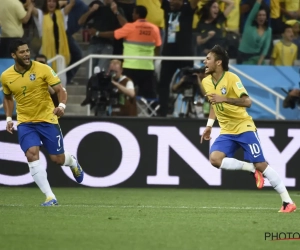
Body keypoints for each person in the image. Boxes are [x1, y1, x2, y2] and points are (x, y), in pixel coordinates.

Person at [200, 45, 296, 213]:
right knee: (215, 160)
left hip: (244, 127)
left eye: (208, 59)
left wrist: (225, 98)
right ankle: (251, 169)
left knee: (261, 164)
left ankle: (287, 202)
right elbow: (214, 104)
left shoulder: (231, 78)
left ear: (219, 62)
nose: (204, 61)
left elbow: (247, 102)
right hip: (227, 131)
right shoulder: (206, 81)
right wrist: (209, 126)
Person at [0, 40, 84, 206]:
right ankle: (50, 197)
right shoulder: (6, 76)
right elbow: (8, 97)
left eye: (27, 51)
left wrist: (61, 105)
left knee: (57, 159)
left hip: (47, 119)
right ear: (13, 55)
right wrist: (9, 118)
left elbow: (60, 90)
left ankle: (72, 161)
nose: (26, 54)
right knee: (31, 154)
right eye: (22, 52)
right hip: (25, 122)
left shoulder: (43, 68)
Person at [237, 0, 272, 65]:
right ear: (255, 17)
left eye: (264, 15)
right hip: (244, 57)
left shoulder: (268, 30)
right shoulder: (249, 24)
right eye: (259, 15)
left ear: (266, 17)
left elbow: (265, 48)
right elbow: (255, 8)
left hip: (257, 58)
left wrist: (259, 62)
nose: (261, 17)